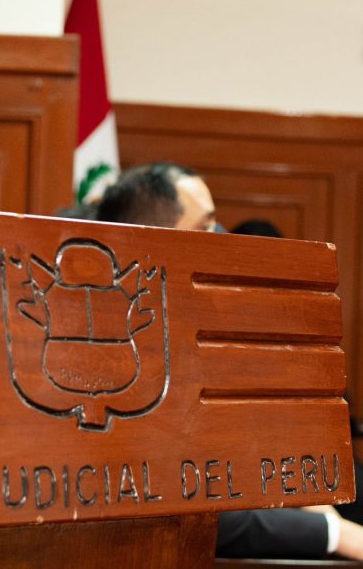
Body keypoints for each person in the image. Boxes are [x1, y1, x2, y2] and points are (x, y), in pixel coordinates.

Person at [96, 161, 363, 560]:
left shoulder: (201, 328)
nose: (222, 238)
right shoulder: (117, 353)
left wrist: (319, 506)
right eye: (206, 226)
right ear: (154, 238)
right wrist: (334, 533)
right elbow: (183, 502)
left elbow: (263, 449)